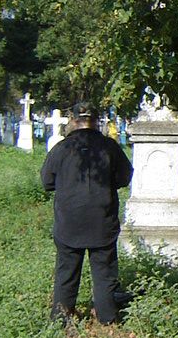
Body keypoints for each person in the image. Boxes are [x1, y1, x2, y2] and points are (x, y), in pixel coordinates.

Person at [41, 100, 133, 325]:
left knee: (66, 273)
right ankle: (108, 320)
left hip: (69, 221)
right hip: (102, 219)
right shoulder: (109, 147)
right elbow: (124, 177)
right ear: (96, 121)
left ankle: (62, 320)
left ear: (73, 121)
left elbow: (47, 182)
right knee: (104, 273)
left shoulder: (62, 148)